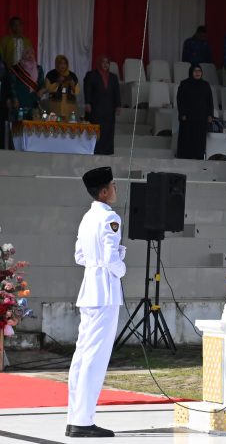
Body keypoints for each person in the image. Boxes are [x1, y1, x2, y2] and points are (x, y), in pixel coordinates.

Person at [66, 167, 126, 438]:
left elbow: (80, 256)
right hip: (104, 292)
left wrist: (101, 260)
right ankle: (83, 421)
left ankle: (75, 417)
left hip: (89, 290)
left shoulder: (87, 217)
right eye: (113, 185)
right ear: (104, 191)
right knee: (95, 357)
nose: (115, 189)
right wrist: (121, 267)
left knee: (82, 355)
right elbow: (112, 259)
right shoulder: (109, 218)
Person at [83, 56, 121, 155]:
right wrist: (87, 103)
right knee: (96, 128)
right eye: (103, 62)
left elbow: (116, 92)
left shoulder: (113, 77)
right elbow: (87, 89)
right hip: (95, 107)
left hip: (109, 108)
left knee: (108, 129)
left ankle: (107, 150)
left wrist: (118, 105)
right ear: (99, 63)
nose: (105, 64)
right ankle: (95, 149)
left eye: (107, 62)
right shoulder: (91, 75)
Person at [176, 64, 214, 160]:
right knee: (187, 138)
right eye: (195, 71)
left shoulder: (205, 85)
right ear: (191, 72)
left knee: (199, 139)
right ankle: (185, 157)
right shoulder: (184, 84)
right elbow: (180, 100)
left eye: (199, 71)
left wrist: (210, 115)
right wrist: (182, 113)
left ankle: (198, 157)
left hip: (201, 117)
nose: (197, 73)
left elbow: (210, 101)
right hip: (188, 117)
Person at [8, 47, 45, 120]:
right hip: (19, 100)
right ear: (23, 55)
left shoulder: (39, 68)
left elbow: (41, 83)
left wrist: (42, 90)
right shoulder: (16, 68)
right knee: (19, 125)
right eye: (27, 53)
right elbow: (12, 85)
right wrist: (14, 98)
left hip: (34, 100)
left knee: (32, 125)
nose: (30, 55)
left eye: (32, 53)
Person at [45, 55, 80, 119]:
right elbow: (47, 89)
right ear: (57, 64)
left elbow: (77, 91)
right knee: (55, 124)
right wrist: (57, 82)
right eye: (60, 63)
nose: (63, 66)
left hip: (69, 104)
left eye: (65, 63)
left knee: (69, 125)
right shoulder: (51, 74)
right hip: (55, 103)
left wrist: (72, 84)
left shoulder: (72, 75)